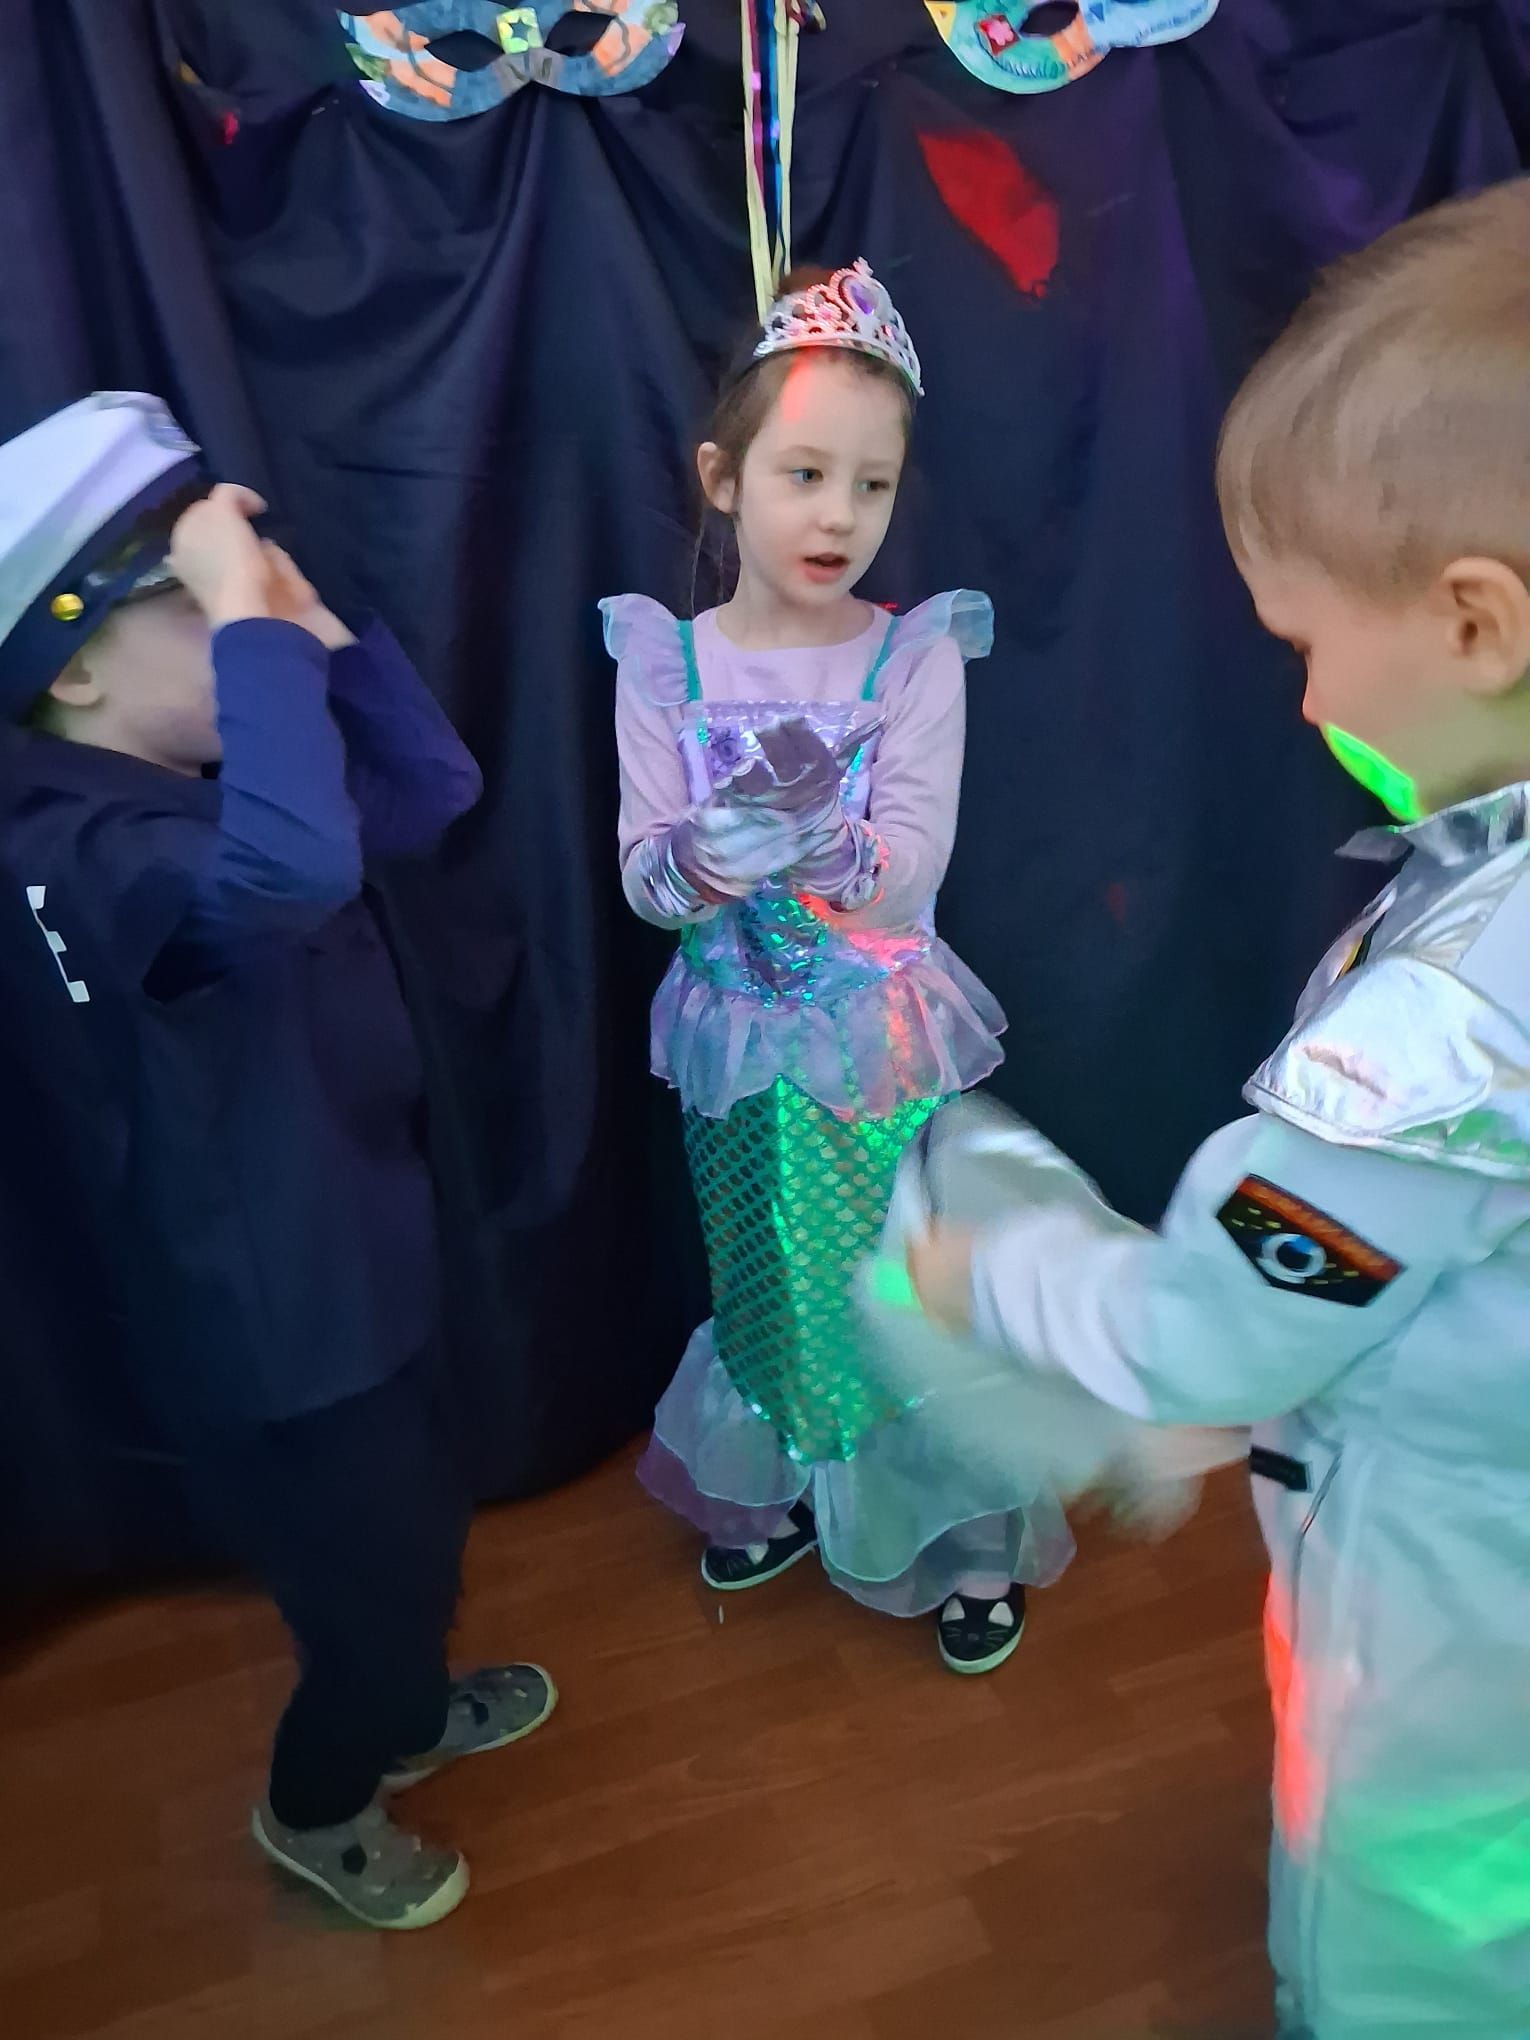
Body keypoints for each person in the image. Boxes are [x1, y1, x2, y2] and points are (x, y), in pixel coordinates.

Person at [904, 180, 1530, 2031]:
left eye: (1304, 645)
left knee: (1413, 1912)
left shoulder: (1430, 1058)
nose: (1308, 699)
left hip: (1455, 1589)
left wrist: (987, 1259)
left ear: (1476, 622)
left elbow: (1201, 1339)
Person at [0, 392, 556, 1930]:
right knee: (366, 1592)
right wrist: (254, 622)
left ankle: (406, 1703)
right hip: (277, 1333)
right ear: (76, 666)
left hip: (351, 1251)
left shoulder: (191, 796)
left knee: (418, 1525)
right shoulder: (76, 850)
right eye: (197, 607)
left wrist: (302, 629)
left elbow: (425, 795)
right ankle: (322, 1800)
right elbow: (299, 863)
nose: (240, 632)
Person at [602, 262, 1072, 1672]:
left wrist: (819, 840)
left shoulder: (911, 657)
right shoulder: (665, 662)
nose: (838, 518)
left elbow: (912, 867)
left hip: (876, 1046)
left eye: (871, 486)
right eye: (804, 474)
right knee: (767, 1275)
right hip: (734, 1041)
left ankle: (963, 1532)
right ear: (723, 479)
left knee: (898, 1287)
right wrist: (704, 854)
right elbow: (642, 880)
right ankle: (788, 1480)